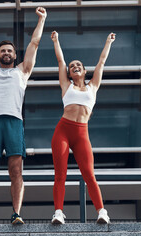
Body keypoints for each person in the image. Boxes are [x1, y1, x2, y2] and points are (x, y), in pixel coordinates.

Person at [0, 7, 47, 225]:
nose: (6, 53)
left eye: (9, 51)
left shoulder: (22, 71)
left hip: (14, 123)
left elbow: (34, 43)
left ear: (15, 56)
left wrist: (42, 19)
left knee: (16, 170)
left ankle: (16, 213)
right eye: (3, 51)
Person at [50, 31, 115, 225]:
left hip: (81, 133)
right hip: (63, 131)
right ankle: (58, 212)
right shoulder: (66, 85)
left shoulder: (92, 86)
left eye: (78, 65)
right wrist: (56, 40)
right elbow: (60, 60)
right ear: (69, 73)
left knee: (89, 174)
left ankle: (102, 211)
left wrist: (108, 41)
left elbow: (102, 62)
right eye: (72, 66)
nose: (75, 66)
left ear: (85, 71)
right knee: (60, 174)